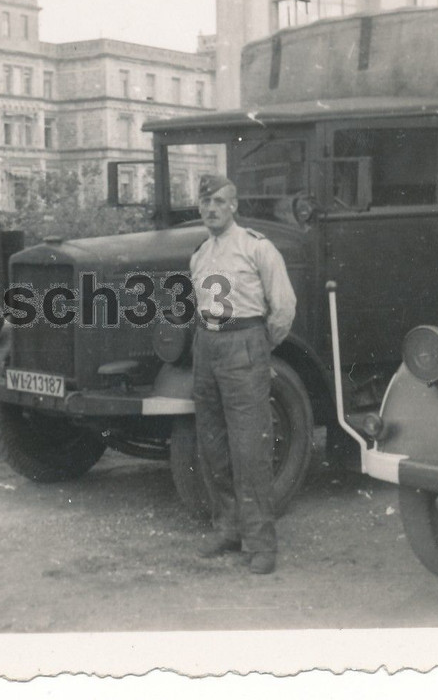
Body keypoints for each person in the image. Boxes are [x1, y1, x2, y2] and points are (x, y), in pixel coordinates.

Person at [190, 174, 296, 575]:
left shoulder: (257, 248)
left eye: (218, 202)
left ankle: (260, 542)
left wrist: (258, 345)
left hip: (244, 342)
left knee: (250, 448)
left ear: (234, 205)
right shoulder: (200, 254)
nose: (211, 209)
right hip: (207, 344)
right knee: (213, 444)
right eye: (205, 203)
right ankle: (229, 528)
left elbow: (283, 307)